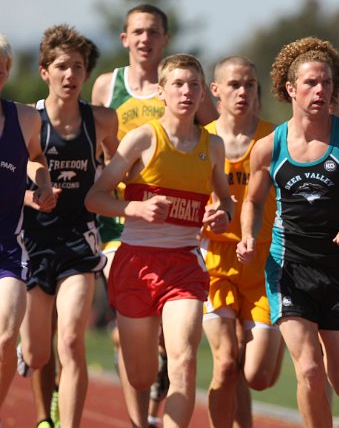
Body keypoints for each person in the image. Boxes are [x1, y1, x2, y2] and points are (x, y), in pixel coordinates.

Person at [85, 53, 233, 428]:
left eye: (194, 85)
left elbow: (225, 202)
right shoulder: (142, 139)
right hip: (136, 264)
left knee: (183, 360)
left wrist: (221, 214)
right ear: (162, 92)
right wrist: (134, 209)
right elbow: (95, 197)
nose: (187, 92)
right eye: (179, 84)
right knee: (140, 375)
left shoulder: (212, 147)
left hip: (184, 264)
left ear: (203, 95)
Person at [237, 37, 339, 428]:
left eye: (327, 83)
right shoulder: (269, 147)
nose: (320, 91)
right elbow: (252, 201)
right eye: (312, 83)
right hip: (289, 268)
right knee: (310, 370)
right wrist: (248, 234)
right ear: (290, 89)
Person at [19, 25, 118, 428]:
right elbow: (15, 174)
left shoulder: (103, 121)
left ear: (86, 74)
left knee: (73, 341)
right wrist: (35, 191)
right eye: (62, 66)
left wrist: (116, 189)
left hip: (79, 239)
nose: (70, 75)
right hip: (33, 241)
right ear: (45, 71)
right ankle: (45, 415)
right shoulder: (28, 119)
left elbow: (119, 168)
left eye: (77, 67)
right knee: (38, 352)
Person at [201, 56, 284, 428]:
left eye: (250, 84)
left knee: (257, 377)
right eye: (234, 84)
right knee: (225, 363)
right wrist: (201, 219)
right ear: (215, 90)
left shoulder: (275, 137)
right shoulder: (201, 141)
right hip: (215, 266)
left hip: (265, 268)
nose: (243, 92)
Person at [0, 33, 55, 427]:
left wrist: (43, 182)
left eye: (0, 69)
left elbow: (34, 157)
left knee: (6, 334)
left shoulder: (24, 118)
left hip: (7, 248)